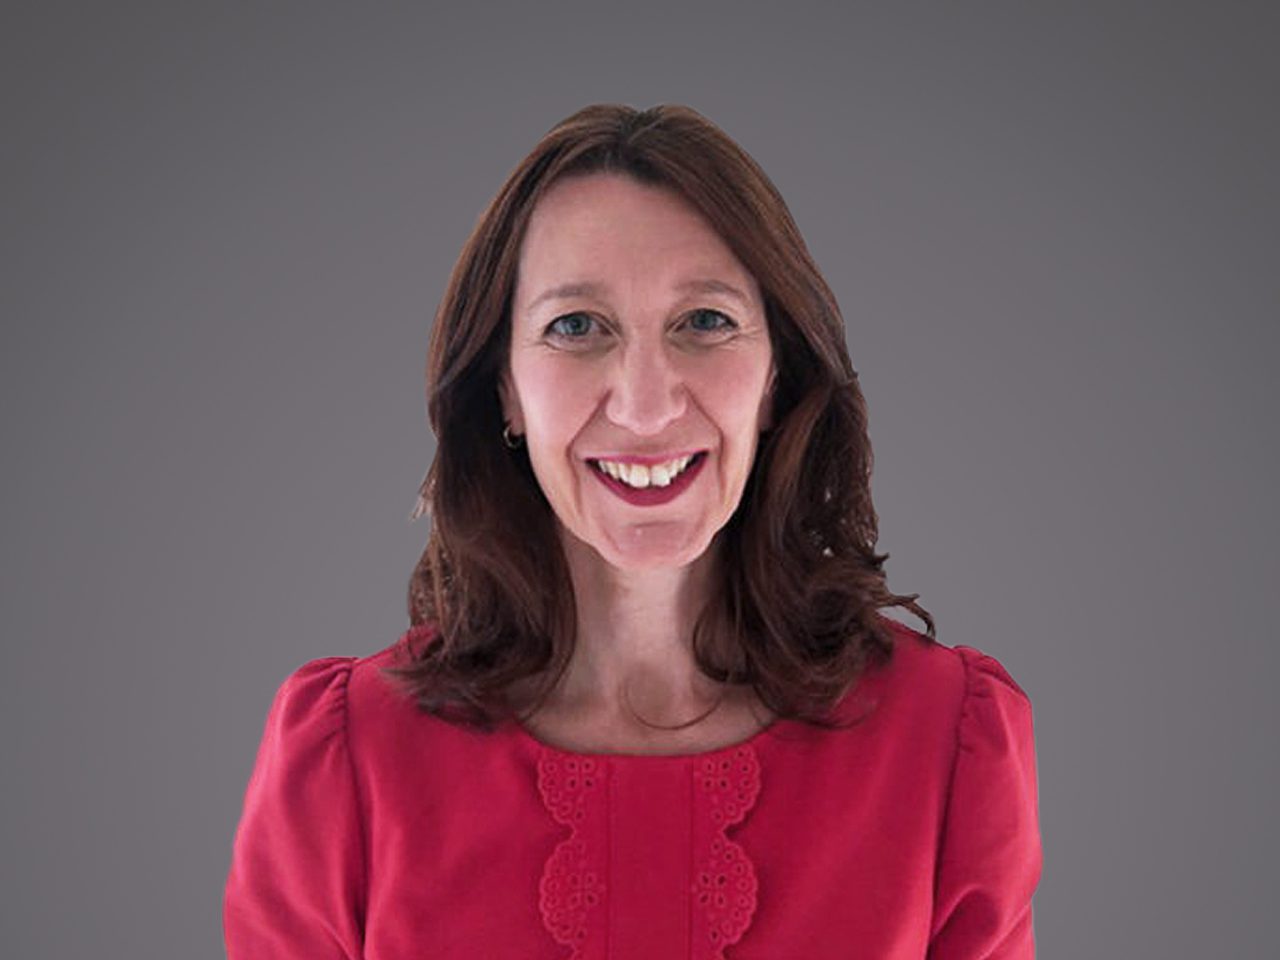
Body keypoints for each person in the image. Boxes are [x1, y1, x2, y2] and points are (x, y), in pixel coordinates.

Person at [223, 103, 1042, 959]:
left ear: (774, 378)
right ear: (504, 387)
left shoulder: (946, 745)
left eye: (705, 322)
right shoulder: (347, 764)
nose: (646, 407)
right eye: (576, 327)